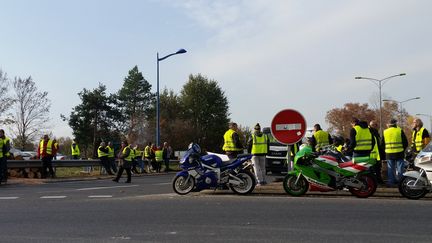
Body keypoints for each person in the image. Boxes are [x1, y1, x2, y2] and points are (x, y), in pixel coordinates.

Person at [382, 119, 408, 187]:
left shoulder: (385, 131)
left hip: (389, 153)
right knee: (400, 168)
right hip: (399, 153)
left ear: (389, 124)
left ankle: (391, 182)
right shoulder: (399, 130)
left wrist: (386, 150)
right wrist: (402, 150)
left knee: (390, 168)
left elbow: (382, 144)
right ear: (395, 124)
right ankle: (401, 182)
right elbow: (405, 142)